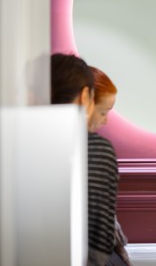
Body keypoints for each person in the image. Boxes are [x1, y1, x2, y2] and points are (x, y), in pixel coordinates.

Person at [50, 54, 119, 266]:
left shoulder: (22, 144)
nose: (105, 120)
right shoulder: (97, 150)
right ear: (85, 96)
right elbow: (100, 244)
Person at [88, 66, 132, 266]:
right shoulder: (99, 151)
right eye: (103, 112)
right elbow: (102, 233)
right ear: (85, 101)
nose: (105, 121)